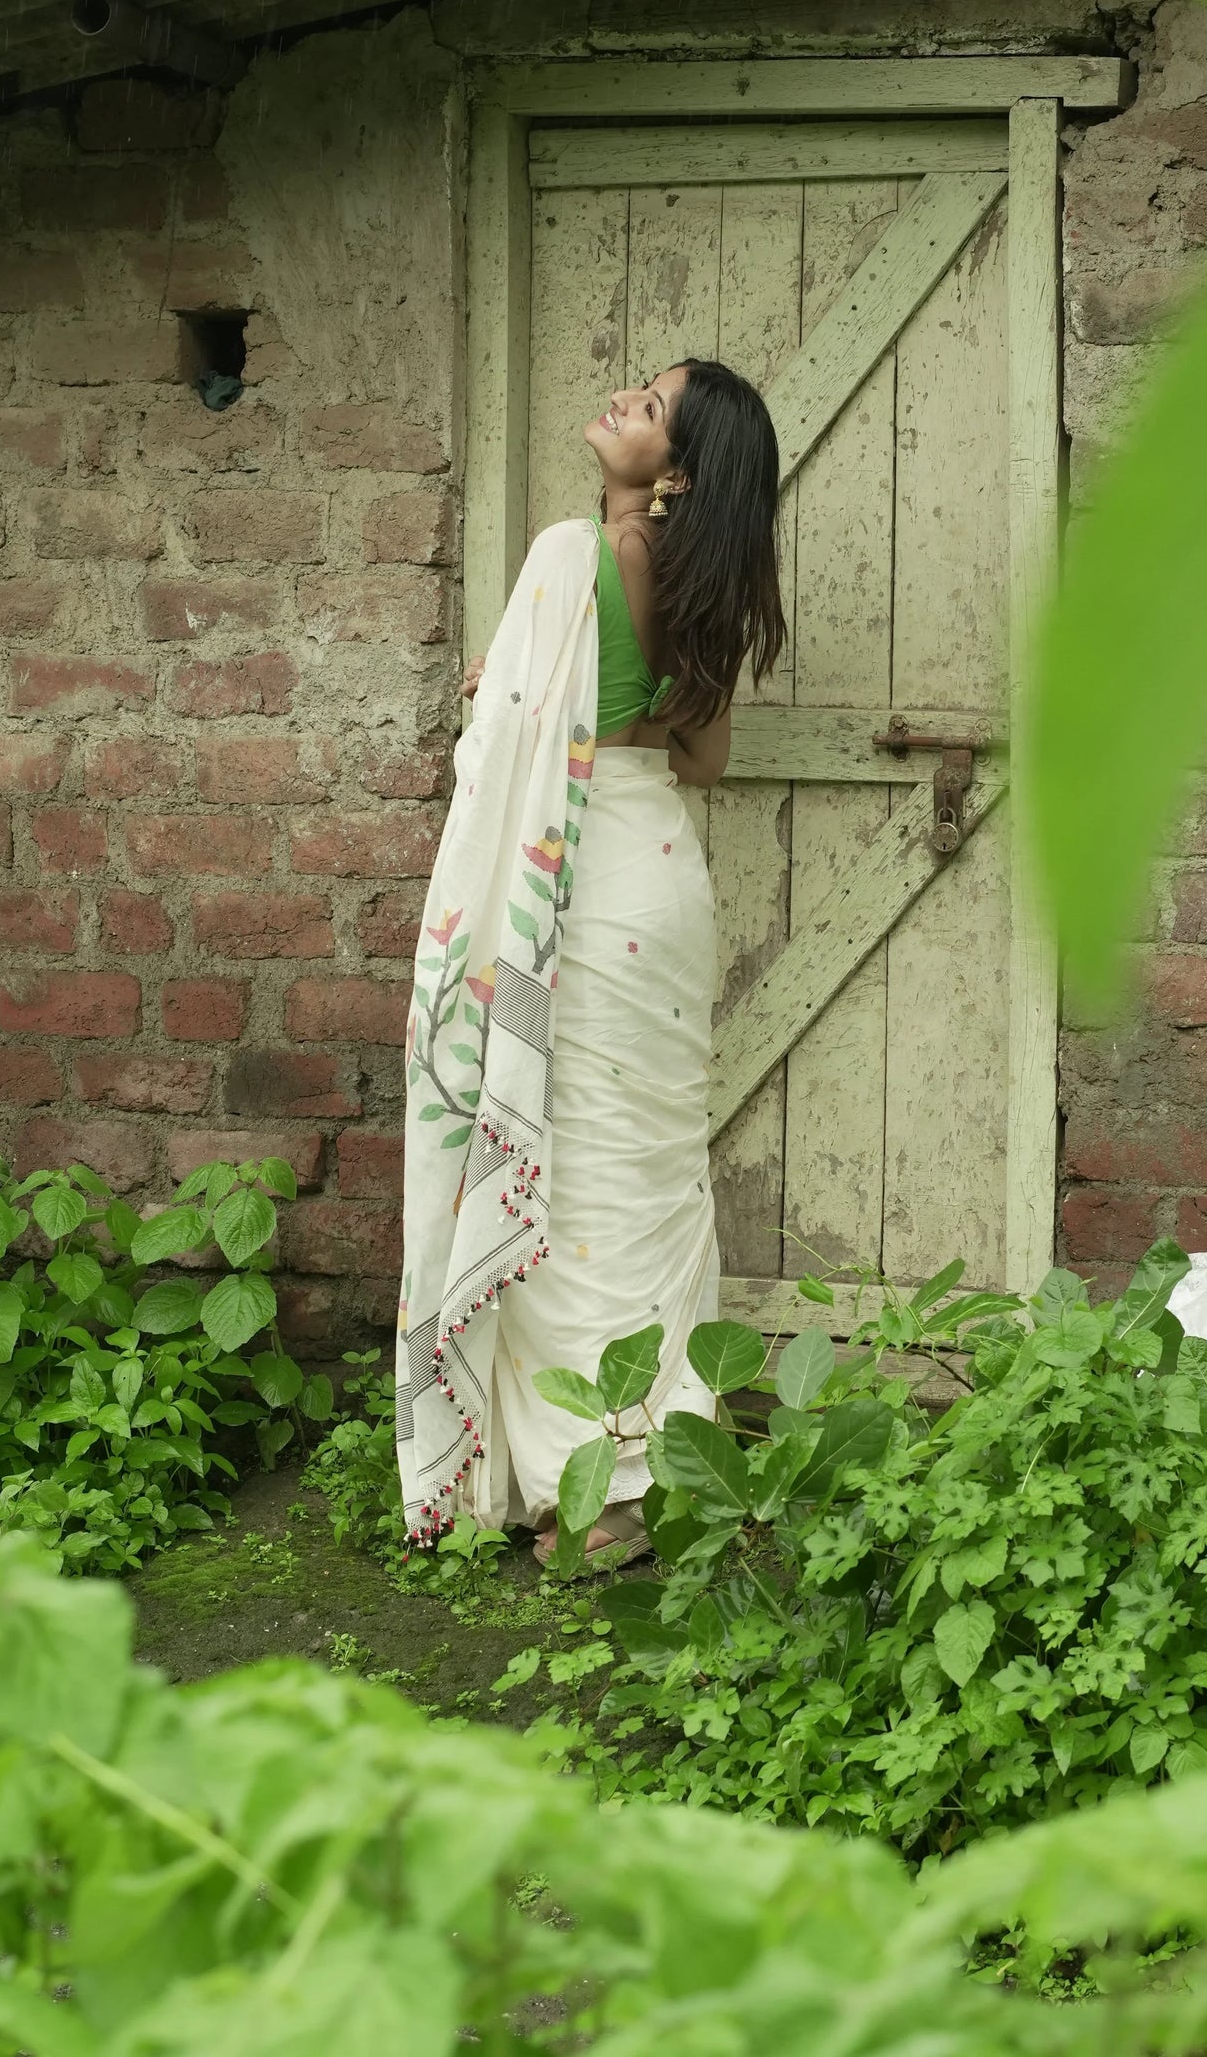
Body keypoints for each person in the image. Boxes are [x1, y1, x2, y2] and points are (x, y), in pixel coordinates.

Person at [395, 357, 784, 1571]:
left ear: (670, 472)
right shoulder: (702, 586)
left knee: (570, 1180)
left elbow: (526, 730)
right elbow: (702, 760)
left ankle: (598, 1490)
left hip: (583, 879)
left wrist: (519, 690)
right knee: (649, 1170)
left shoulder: (584, 552)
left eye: (651, 407)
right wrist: (541, 683)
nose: (621, 396)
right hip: (659, 875)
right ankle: (657, 1450)